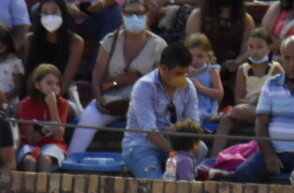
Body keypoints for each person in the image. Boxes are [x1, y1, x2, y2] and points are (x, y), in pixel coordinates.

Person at [232, 35, 294, 183]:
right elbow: (261, 123)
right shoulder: (271, 84)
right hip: (276, 151)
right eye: (287, 58)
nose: (292, 64)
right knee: (243, 175)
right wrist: (268, 154)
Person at [69, 0, 167, 154]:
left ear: (147, 15)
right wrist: (99, 97)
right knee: (89, 115)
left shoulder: (158, 45)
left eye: (139, 13)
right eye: (129, 13)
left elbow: (161, 83)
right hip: (111, 99)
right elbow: (97, 75)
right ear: (122, 15)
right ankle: (71, 160)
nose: (134, 17)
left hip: (144, 103)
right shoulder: (110, 40)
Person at [122, 41, 200, 178]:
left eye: (186, 73)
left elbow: (193, 125)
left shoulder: (189, 87)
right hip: (142, 145)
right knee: (155, 184)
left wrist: (181, 152)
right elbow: (149, 131)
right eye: (178, 73)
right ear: (163, 68)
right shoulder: (144, 87)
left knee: (201, 147)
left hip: (175, 144)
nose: (183, 78)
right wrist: (175, 153)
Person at [210, 27, 279, 156]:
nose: (254, 51)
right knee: (227, 120)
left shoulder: (276, 68)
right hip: (247, 108)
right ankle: (214, 159)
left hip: (266, 110)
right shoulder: (243, 69)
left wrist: (260, 100)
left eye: (259, 47)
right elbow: (239, 98)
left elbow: (279, 96)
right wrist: (249, 102)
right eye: (251, 47)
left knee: (235, 111)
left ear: (269, 47)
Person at [24, 0, 85, 117]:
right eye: (45, 13)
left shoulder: (75, 42)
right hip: (35, 93)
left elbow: (67, 79)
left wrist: (52, 100)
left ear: (63, 14)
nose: (50, 17)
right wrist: (35, 99)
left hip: (62, 94)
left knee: (72, 112)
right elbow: (29, 74)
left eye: (54, 12)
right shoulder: (30, 39)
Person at [184, 0, 255, 88]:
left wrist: (236, 63)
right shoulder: (199, 16)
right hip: (202, 69)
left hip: (232, 72)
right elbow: (190, 46)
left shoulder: (245, 20)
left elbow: (247, 51)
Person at [19, 63, 70, 172]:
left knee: (44, 159)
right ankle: (28, 189)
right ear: (37, 84)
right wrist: (45, 129)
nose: (54, 87)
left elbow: (58, 135)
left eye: (57, 84)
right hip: (30, 145)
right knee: (30, 161)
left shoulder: (63, 104)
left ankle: (42, 189)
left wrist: (53, 107)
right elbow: (31, 140)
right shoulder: (26, 104)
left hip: (53, 145)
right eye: (49, 83)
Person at [186, 33, 223, 123]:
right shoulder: (184, 70)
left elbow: (219, 94)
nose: (194, 60)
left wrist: (200, 88)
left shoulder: (211, 70)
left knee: (193, 118)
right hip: (185, 106)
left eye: (200, 56)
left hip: (204, 108)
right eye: (191, 56)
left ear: (208, 55)